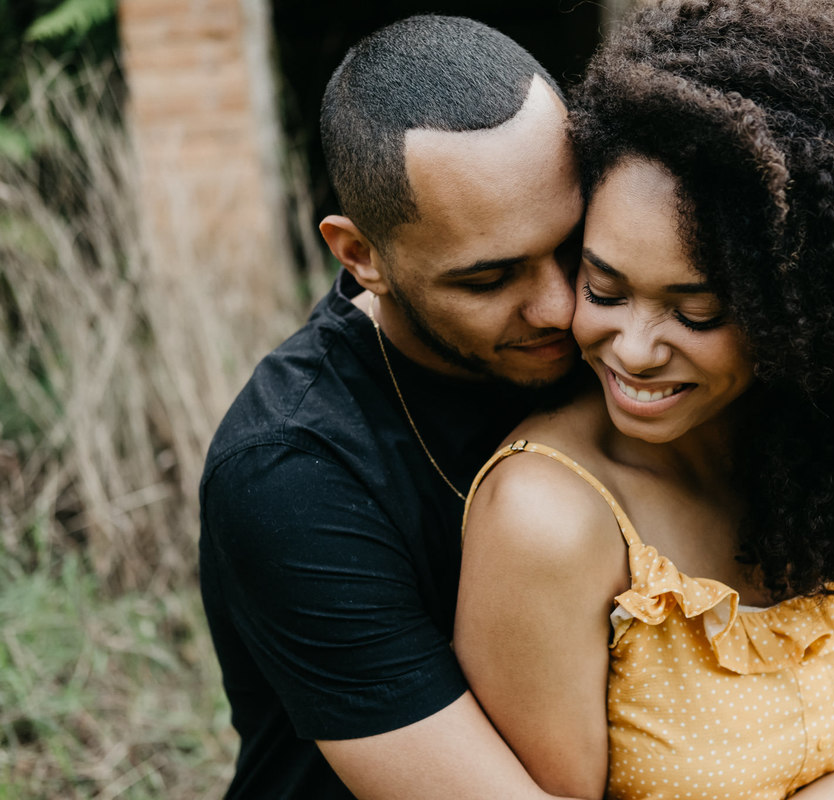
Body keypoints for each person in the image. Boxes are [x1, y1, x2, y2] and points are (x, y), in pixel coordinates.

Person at [454, 1, 834, 798]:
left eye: (697, 313)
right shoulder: (547, 521)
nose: (633, 349)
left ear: (798, 317)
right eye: (604, 290)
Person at [199, 15, 589, 799]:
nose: (559, 308)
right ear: (360, 256)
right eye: (489, 279)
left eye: (573, 247)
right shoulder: (290, 473)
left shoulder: (630, 342)